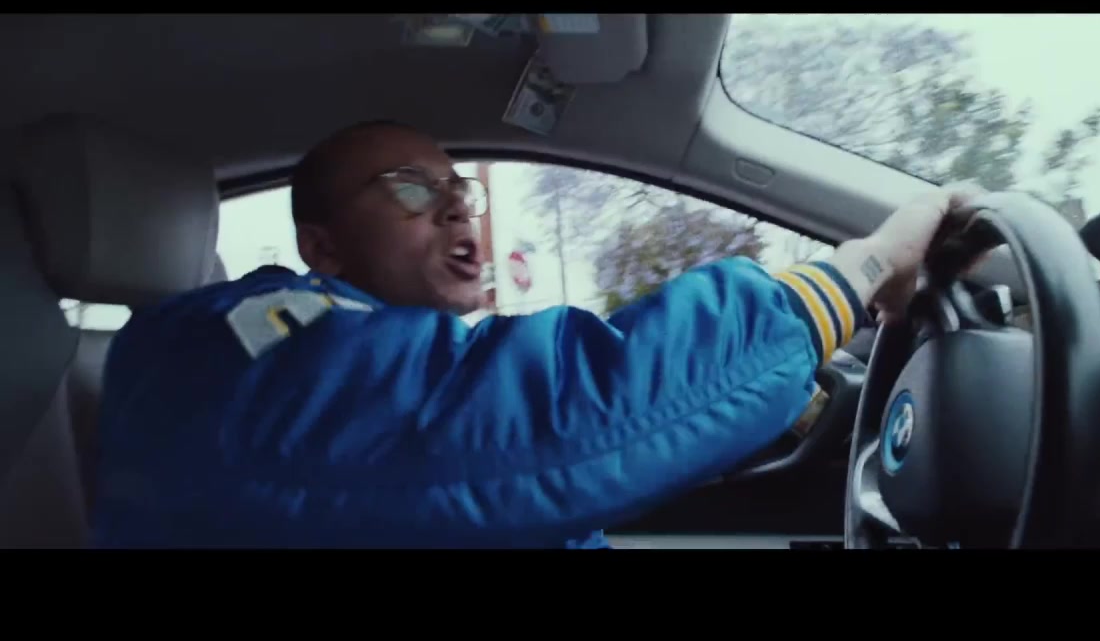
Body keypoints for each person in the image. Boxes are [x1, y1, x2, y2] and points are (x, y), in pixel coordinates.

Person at [91, 120, 983, 548]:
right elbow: (574, 412)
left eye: (459, 190)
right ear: (321, 247)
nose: (455, 207)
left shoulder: (338, 351)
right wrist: (867, 265)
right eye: (411, 189)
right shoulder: (226, 354)